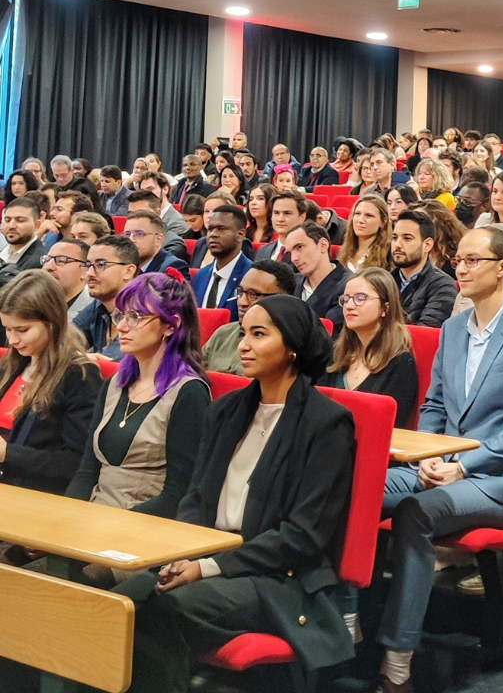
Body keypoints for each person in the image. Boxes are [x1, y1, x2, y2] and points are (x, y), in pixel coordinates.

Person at [117, 294, 355, 693]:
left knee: (154, 611)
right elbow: (195, 498)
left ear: (292, 346)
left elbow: (303, 536)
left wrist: (208, 566)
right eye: (244, 333)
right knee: (116, 601)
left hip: (277, 577)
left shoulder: (326, 424)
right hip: (208, 557)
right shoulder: (227, 409)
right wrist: (186, 555)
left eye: (258, 335)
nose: (243, 344)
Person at [371, 227, 503, 692]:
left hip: (502, 478)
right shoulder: (453, 328)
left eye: (473, 260)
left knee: (416, 512)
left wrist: (462, 465)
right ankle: (349, 616)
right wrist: (431, 455)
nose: (461, 267)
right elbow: (434, 405)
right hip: (443, 465)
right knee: (358, 490)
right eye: (458, 259)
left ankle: (398, 655)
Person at [65, 273, 210, 529]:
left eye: (136, 317)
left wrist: (107, 527)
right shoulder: (114, 384)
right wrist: (66, 521)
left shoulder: (189, 393)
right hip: (95, 517)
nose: (121, 326)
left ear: (170, 325)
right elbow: (87, 471)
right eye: (121, 315)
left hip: (142, 528)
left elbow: (177, 494)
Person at [0, 270, 102, 494]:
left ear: (52, 322)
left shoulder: (79, 376)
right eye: (7, 329)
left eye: (22, 330)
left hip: (34, 492)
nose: (13, 339)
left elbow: (74, 463)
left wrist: (8, 453)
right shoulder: (12, 365)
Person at [318, 267, 418, 429]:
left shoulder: (400, 363)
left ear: (385, 308)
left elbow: (391, 425)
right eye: (346, 299)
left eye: (360, 298)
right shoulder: (335, 355)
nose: (349, 306)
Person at [202, 260, 296, 375]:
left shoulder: (285, 348)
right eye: (241, 292)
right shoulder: (223, 334)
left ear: (281, 301)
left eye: (253, 295)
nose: (241, 302)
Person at [74, 236, 139, 360]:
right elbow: (61, 344)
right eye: (89, 265)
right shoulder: (98, 305)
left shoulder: (143, 311)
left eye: (101, 264)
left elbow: (111, 365)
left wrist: (74, 358)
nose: (90, 273)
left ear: (128, 271)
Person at [390, 210, 457, 327]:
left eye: (407, 238)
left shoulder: (443, 285)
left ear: (427, 245)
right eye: (395, 238)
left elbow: (425, 334)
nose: (397, 244)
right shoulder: (384, 281)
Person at [191, 205, 252, 320]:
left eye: (221, 229)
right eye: (210, 229)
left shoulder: (251, 275)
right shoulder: (200, 275)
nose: (213, 234)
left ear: (240, 235)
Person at [287, 221, 349, 327]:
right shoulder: (291, 282)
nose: (294, 258)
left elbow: (332, 331)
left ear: (323, 245)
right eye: (290, 252)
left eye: (299, 247)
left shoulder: (348, 284)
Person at [127, 189, 190, 261]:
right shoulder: (124, 239)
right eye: (130, 213)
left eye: (141, 213)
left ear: (157, 213)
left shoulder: (172, 244)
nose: (134, 218)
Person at [124, 210, 190, 276]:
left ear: (158, 239)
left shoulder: (172, 267)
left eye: (139, 234)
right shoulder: (122, 265)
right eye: (127, 234)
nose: (131, 239)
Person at [338, 194, 393, 272]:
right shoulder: (343, 253)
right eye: (357, 214)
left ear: (383, 222)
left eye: (369, 216)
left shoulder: (389, 255)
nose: (360, 220)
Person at [42, 238, 94, 319]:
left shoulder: (94, 312)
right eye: (47, 260)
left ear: (86, 270)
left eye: (61, 260)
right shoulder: (33, 302)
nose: (49, 267)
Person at [0, 198, 47, 282]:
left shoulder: (40, 263)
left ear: (37, 225)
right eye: (7, 220)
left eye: (20, 220)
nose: (11, 226)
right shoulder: (2, 252)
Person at [255, 189, 307, 264]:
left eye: (287, 213)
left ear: (302, 217)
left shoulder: (308, 251)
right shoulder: (263, 251)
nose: (280, 219)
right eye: (276, 213)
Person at [136, 172, 187, 236]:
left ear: (165, 189)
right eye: (142, 191)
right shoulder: (139, 218)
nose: (145, 194)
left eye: (151, 189)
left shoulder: (177, 223)